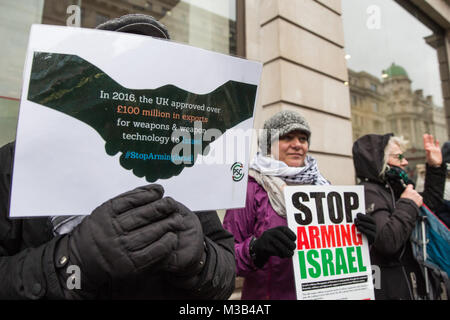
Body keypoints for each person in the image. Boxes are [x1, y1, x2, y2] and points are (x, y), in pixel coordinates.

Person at [0, 14, 235, 300]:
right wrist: (70, 259)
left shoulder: (181, 167)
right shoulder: (18, 160)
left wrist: (200, 260)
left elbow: (224, 273)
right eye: (127, 62)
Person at [223, 110, 376, 300]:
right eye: (287, 137)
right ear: (268, 145)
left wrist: (363, 240)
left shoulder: (323, 186)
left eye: (303, 139)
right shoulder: (251, 188)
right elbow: (225, 256)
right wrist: (256, 249)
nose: (297, 145)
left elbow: (340, 255)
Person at [352, 133, 446, 300]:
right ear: (380, 161)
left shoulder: (393, 188)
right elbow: (388, 241)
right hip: (393, 287)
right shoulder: (368, 191)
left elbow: (427, 205)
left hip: (412, 283)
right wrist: (408, 204)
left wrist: (435, 167)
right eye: (399, 157)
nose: (405, 162)